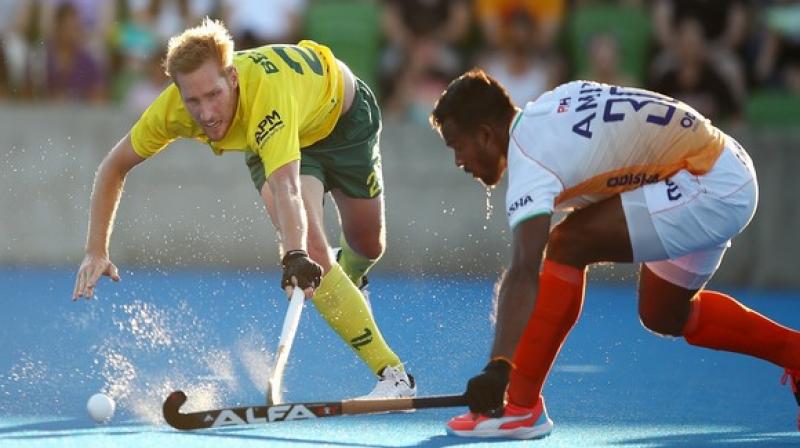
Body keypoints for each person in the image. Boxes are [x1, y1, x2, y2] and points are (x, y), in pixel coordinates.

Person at [429, 69, 800, 439]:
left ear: (485, 135)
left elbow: (524, 270)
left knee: (567, 243)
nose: (458, 160)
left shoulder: (532, 164)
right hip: (721, 164)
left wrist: (500, 367)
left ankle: (522, 409)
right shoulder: (551, 103)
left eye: (456, 145)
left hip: (708, 184)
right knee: (663, 313)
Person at [72, 18, 416, 399]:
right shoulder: (173, 110)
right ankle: (395, 376)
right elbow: (113, 167)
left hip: (343, 118)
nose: (204, 113)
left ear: (233, 78)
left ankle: (350, 276)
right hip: (272, 141)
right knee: (315, 251)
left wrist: (295, 254)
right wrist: (96, 249)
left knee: (368, 244)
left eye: (213, 94)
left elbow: (286, 187)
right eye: (193, 100)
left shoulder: (265, 94)